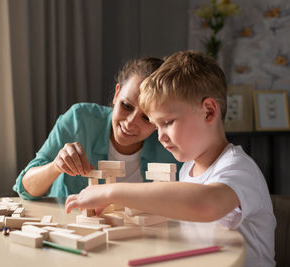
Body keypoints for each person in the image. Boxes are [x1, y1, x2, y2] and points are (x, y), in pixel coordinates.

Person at [65, 51, 276, 267]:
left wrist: (109, 192)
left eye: (167, 122)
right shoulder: (188, 169)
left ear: (208, 112)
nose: (160, 136)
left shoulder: (239, 169)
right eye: (156, 126)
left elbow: (205, 204)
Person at [13, 57, 179, 200]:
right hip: (70, 230)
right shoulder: (79, 120)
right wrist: (56, 166)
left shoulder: (170, 145)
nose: (129, 123)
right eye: (126, 106)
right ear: (116, 94)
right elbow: (25, 189)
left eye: (146, 118)